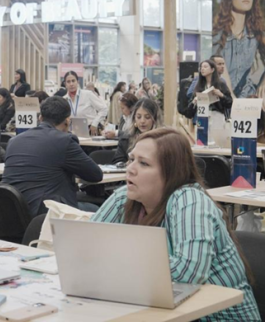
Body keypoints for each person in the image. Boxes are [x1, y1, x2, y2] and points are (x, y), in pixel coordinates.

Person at [92, 128, 261, 321]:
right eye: (131, 159)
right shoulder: (126, 197)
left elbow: (188, 273)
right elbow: (84, 246)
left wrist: (119, 262)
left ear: (171, 173)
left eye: (144, 163)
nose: (130, 168)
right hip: (164, 312)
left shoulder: (189, 200)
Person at [2, 96, 103, 217]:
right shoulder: (64, 141)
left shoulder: (13, 141)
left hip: (12, 214)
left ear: (40, 118)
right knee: (98, 211)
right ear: (67, 121)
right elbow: (96, 175)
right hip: (47, 214)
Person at [213, 0, 265, 98]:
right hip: (223, 100)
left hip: (248, 98)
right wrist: (234, 102)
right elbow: (221, 78)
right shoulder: (217, 35)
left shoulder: (256, 34)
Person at [112, 98, 161, 164]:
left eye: (147, 117)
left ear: (155, 120)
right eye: (139, 117)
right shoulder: (126, 139)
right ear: (134, 119)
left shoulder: (162, 140)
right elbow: (117, 161)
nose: (142, 121)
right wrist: (125, 164)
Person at [63, 71, 107, 136]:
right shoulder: (64, 99)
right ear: (65, 84)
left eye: (73, 81)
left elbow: (103, 109)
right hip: (72, 133)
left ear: (77, 82)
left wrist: (95, 123)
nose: (71, 84)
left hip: (90, 130)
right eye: (68, 82)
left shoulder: (87, 94)